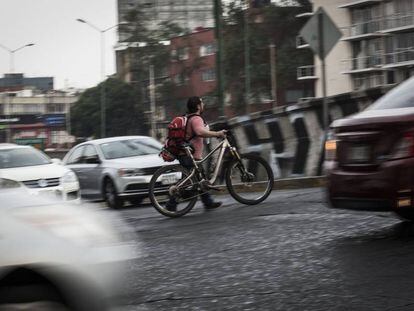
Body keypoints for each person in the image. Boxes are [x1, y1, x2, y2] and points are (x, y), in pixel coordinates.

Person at [166, 96, 227, 212]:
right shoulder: (196, 118)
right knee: (188, 181)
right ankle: (171, 203)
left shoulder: (188, 117)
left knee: (200, 179)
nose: (203, 105)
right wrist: (217, 133)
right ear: (198, 106)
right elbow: (200, 132)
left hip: (187, 154)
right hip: (190, 155)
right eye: (202, 103)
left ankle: (208, 202)